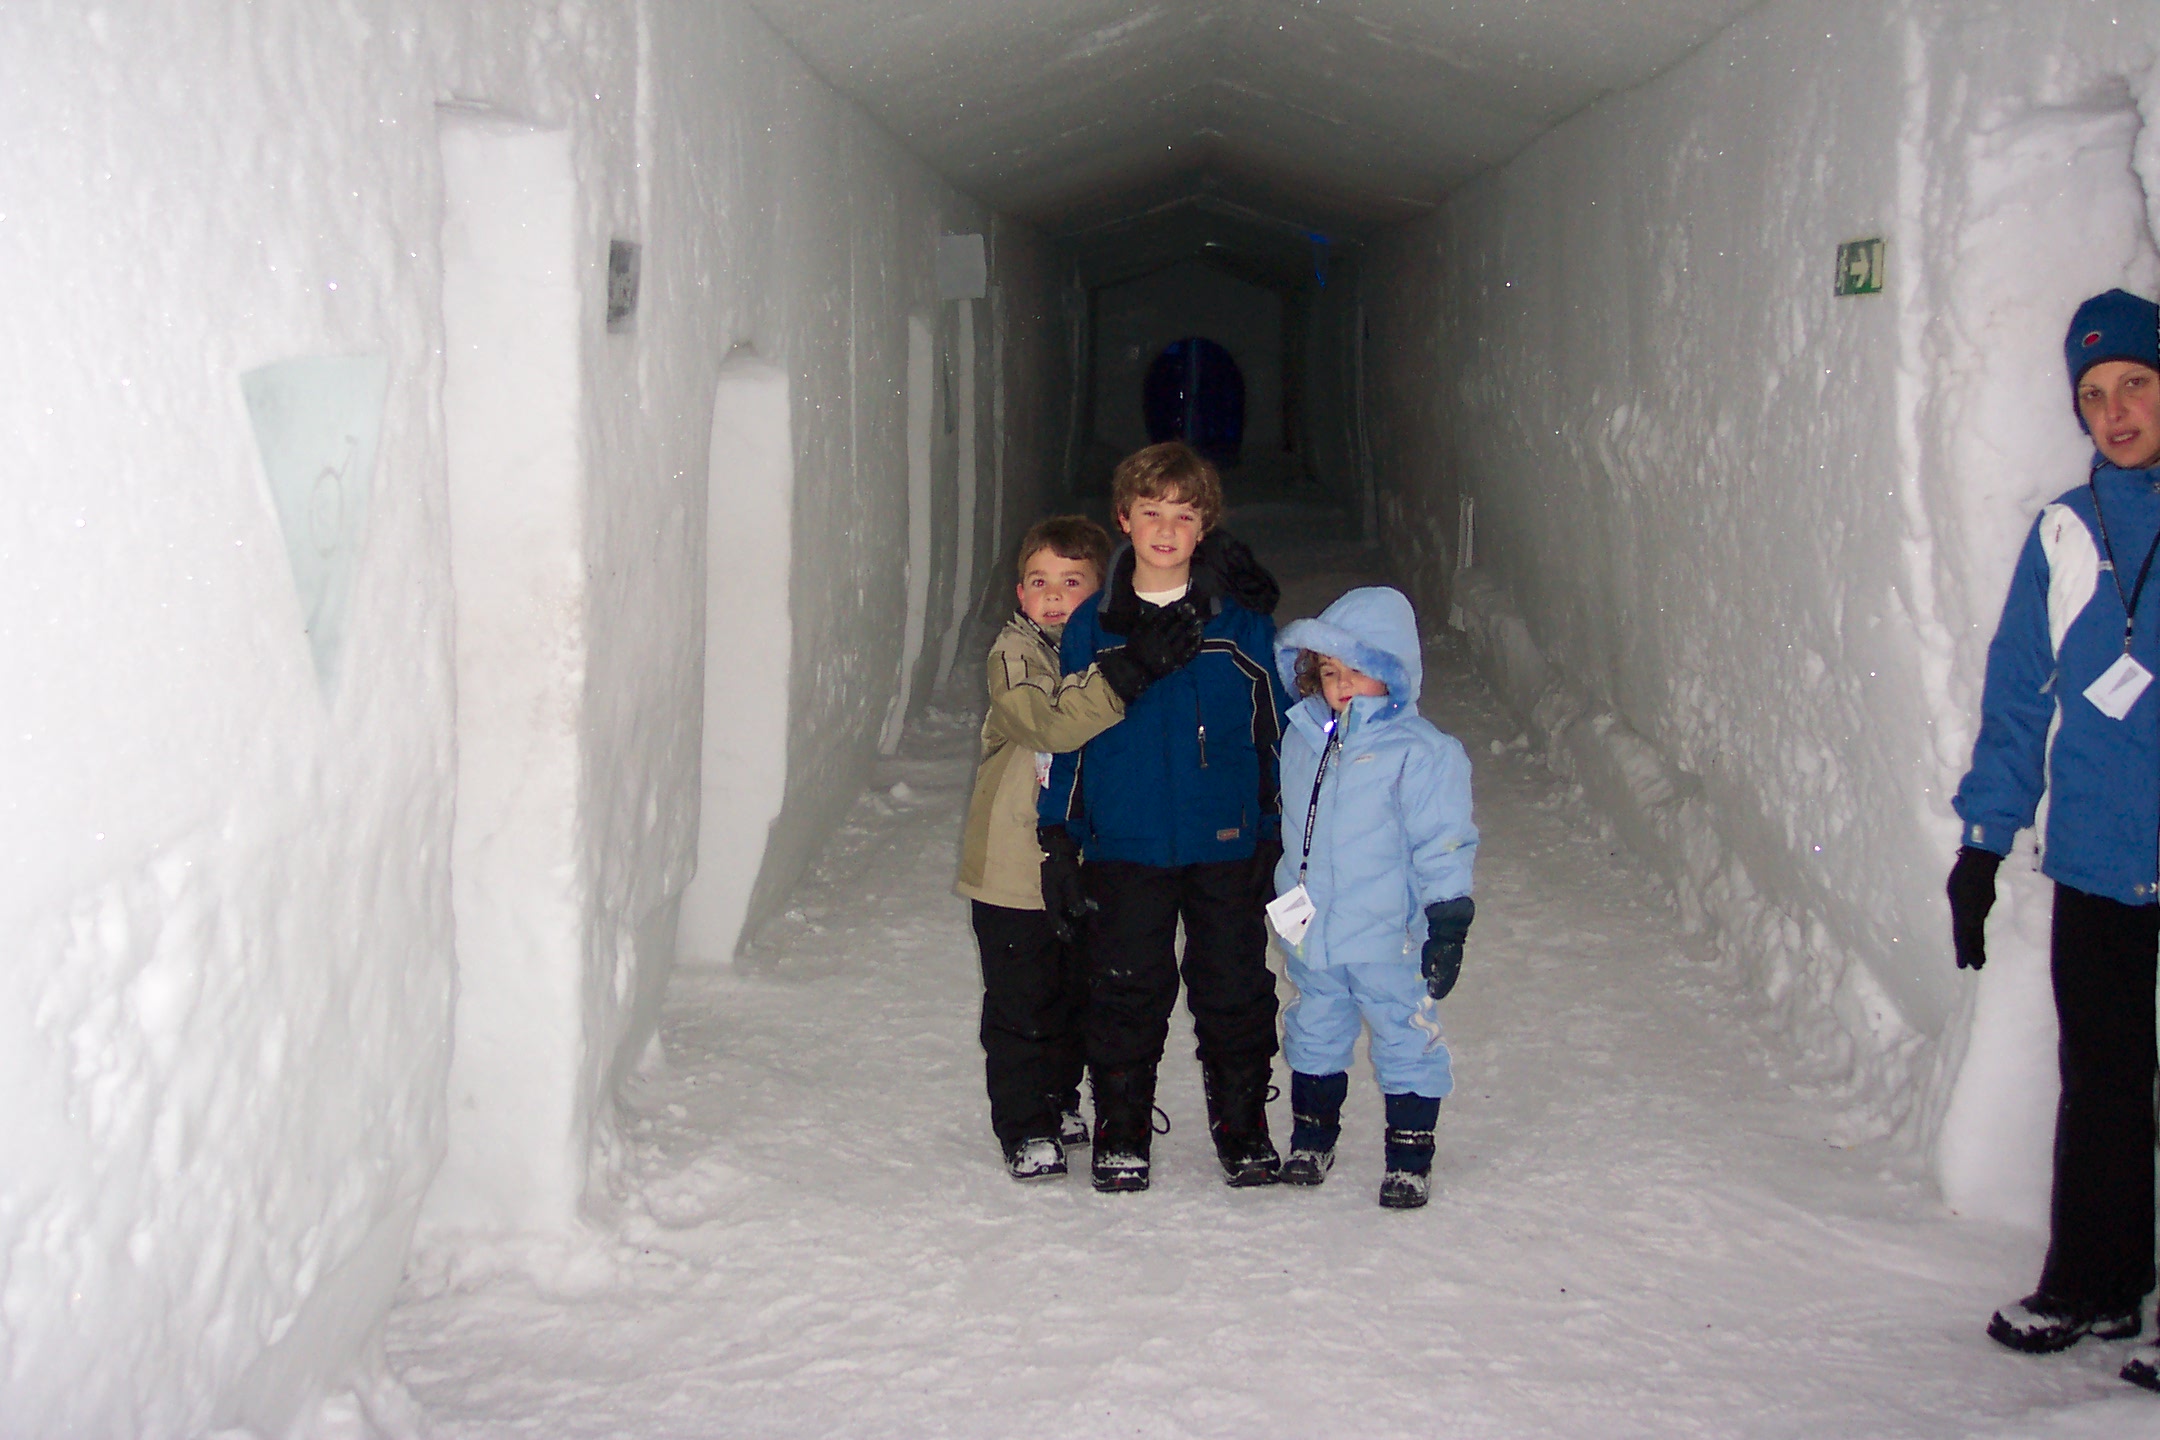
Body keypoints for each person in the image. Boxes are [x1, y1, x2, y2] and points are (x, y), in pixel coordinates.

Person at [1949, 287, 2160, 1392]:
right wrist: (1984, 841)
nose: (2115, 412)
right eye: (2093, 396)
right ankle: (2096, 1280)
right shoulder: (2066, 534)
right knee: (2107, 1081)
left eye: (2133, 385)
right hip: (2096, 853)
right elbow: (2020, 694)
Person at [1038, 441, 1294, 1192]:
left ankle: (1241, 1124)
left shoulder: (1238, 622)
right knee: (1125, 986)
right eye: (1150, 513)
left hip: (1225, 843)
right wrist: (1058, 835)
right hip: (1126, 843)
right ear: (1123, 519)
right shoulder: (1093, 624)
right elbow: (1066, 733)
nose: (1165, 530)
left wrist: (1271, 832)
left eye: (1184, 517)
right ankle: (1121, 1127)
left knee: (1235, 985)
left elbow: (1275, 727)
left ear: (1206, 526)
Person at [955, 516, 1202, 1181]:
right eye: (1040, 582)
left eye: (1072, 582)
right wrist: (1127, 677)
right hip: (1011, 872)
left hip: (1090, 863)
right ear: (1018, 594)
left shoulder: (1111, 650)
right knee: (1021, 1001)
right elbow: (1047, 723)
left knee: (1075, 994)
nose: (1055, 596)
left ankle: (1060, 1099)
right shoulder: (1016, 656)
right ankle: (1025, 1124)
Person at [1266, 586, 1476, 1209]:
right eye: (1329, 671)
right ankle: (1312, 1136)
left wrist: (1448, 919)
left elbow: (1442, 841)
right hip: (1315, 931)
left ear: (1392, 671)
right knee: (1314, 1027)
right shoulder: (1305, 737)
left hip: (1389, 934)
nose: (1342, 685)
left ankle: (1410, 1153)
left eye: (1358, 670)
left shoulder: (1423, 753)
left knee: (1404, 1033)